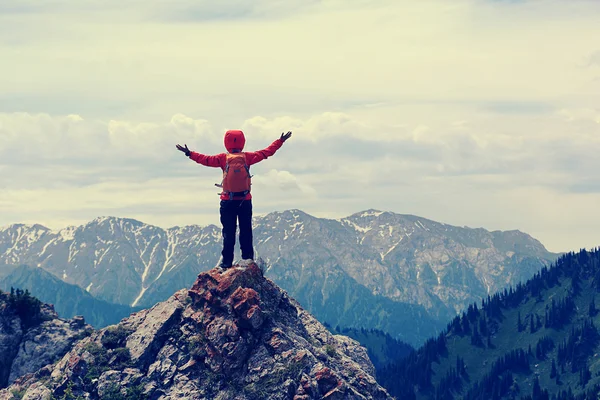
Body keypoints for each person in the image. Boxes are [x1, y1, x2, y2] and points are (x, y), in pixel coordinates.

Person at [176, 130, 292, 269]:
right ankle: (247, 259)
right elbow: (266, 152)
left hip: (227, 200)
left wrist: (189, 153)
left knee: (228, 232)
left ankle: (226, 263)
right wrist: (280, 141)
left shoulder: (222, 158)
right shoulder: (248, 157)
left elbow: (205, 160)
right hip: (245, 199)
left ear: (226, 142)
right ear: (243, 141)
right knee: (246, 230)